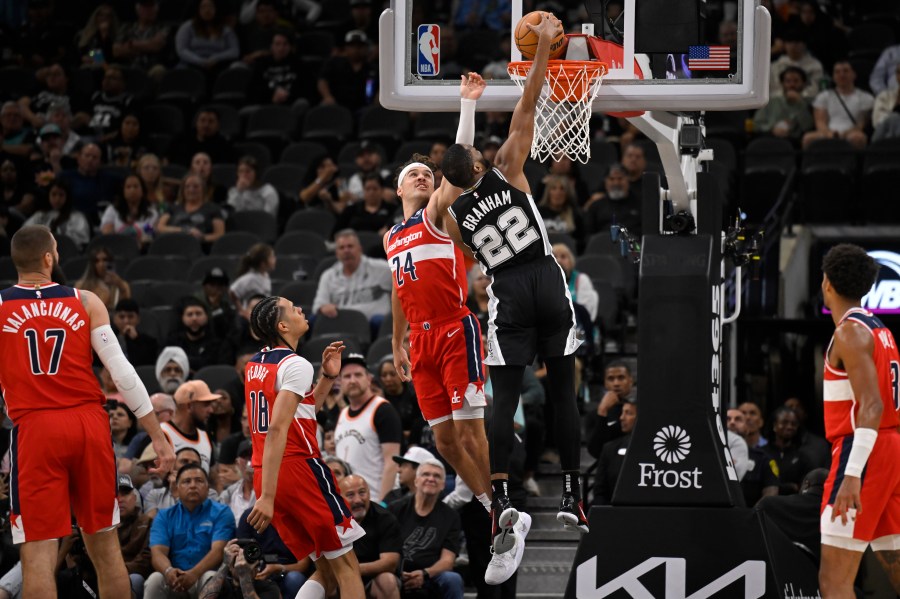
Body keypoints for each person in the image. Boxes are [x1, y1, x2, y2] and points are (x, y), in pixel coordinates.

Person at [440, 14, 586, 582]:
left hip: (506, 289)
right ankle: (573, 494)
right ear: (479, 163)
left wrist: (464, 114)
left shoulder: (452, 219)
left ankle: (500, 499)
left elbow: (455, 182)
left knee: (505, 402)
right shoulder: (506, 169)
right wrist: (546, 48)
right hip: (547, 279)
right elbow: (528, 105)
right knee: (565, 392)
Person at [0, 225, 175, 598]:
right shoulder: (85, 300)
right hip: (88, 425)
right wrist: (158, 436)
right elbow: (123, 375)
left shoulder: (1, 307)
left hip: (36, 428)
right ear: (49, 257)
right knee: (106, 549)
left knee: (38, 553)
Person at [385, 76, 494, 528]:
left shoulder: (435, 214)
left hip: (454, 327)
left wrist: (466, 106)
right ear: (398, 190)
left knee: (470, 432)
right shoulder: (391, 235)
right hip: (421, 338)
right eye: (413, 174)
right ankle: (493, 506)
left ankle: (500, 498)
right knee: (444, 440)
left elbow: (454, 165)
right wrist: (397, 340)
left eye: (426, 175)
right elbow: (398, 287)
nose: (422, 176)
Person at [244, 296, 366, 598]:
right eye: (292, 308)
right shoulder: (295, 363)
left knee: (325, 568)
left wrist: (327, 376)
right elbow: (277, 428)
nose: (301, 309)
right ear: (283, 325)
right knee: (348, 566)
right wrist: (268, 498)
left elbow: (301, 413)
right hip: (298, 470)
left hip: (266, 471)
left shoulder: (255, 364)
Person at [818, 243, 900, 596]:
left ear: (827, 284)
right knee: (894, 565)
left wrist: (852, 475)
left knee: (834, 581)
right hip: (890, 449)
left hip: (862, 450)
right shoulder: (881, 330)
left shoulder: (849, 332)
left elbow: (872, 406)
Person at [146, 464, 236, 598]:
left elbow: (218, 551)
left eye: (199, 481)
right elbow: (157, 552)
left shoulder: (222, 512)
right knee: (155, 579)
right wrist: (169, 571)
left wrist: (194, 574)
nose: (193, 485)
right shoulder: (164, 516)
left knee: (211, 577)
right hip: (175, 580)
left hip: (204, 576)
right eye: (186, 481)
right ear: (177, 488)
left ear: (207, 487)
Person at [388, 459, 466, 599]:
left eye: (437, 476)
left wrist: (424, 573)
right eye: (426, 474)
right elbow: (385, 550)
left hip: (431, 576)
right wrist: (398, 572)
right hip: (396, 573)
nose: (431, 479)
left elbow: (447, 561)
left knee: (453, 579)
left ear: (443, 485)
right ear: (416, 481)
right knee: (385, 579)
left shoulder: (451, 516)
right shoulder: (396, 509)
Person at [334, 353, 402, 501]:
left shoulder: (382, 410)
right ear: (340, 382)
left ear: (369, 379)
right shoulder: (343, 414)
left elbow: (392, 462)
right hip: (350, 504)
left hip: (375, 500)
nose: (352, 380)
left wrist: (383, 503)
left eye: (358, 375)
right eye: (347, 376)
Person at [313, 229, 392, 329]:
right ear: (337, 253)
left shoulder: (382, 269)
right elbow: (319, 304)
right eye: (341, 248)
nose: (346, 251)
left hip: (374, 326)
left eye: (350, 246)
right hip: (340, 324)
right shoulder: (328, 276)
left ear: (360, 249)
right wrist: (323, 308)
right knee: (313, 320)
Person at [339, 475, 403, 599]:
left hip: (373, 577)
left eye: (362, 493)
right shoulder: (332, 519)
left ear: (369, 493)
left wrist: (351, 571)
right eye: (350, 495)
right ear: (340, 499)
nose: (358, 500)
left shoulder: (385, 519)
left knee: (388, 581)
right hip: (340, 578)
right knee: (326, 583)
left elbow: (390, 562)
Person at [802, 60, 874, 150]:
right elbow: (820, 121)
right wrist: (829, 133)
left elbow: (862, 124)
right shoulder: (824, 96)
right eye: (837, 72)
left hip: (852, 132)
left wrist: (845, 133)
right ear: (833, 76)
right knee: (808, 138)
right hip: (828, 132)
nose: (842, 75)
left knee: (858, 138)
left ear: (854, 75)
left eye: (845, 71)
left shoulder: (866, 97)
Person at [162, 380, 219, 473]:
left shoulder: (206, 437)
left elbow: (214, 480)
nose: (211, 410)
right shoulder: (161, 434)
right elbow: (140, 475)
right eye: (206, 405)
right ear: (189, 406)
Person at [155, 173, 226, 247]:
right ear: (183, 190)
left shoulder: (213, 209)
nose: (191, 189)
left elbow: (220, 235)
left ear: (203, 189)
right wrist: (184, 230)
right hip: (173, 245)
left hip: (200, 248)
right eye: (187, 187)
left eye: (196, 186)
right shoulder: (173, 208)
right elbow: (160, 227)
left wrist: (202, 237)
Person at [23, 177, 91, 248]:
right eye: (54, 194)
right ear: (48, 195)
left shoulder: (77, 217)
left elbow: (80, 241)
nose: (57, 199)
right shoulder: (40, 215)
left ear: (67, 197)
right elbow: (24, 233)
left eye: (61, 195)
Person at [752, 65, 815, 141]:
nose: (792, 85)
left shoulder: (810, 103)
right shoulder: (771, 101)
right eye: (788, 81)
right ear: (782, 83)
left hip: (796, 142)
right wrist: (772, 129)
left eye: (796, 81)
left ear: (803, 84)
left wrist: (800, 103)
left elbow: (808, 127)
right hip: (770, 138)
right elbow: (756, 124)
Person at [116, 474, 154, 599]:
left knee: (135, 579)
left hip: (133, 574)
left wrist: (118, 572)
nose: (120, 499)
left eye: (125, 494)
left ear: (134, 497)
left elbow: (146, 558)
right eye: (115, 495)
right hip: (106, 574)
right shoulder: (103, 528)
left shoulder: (147, 522)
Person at [591, 401, 636, 506]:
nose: (621, 418)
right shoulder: (609, 449)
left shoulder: (652, 449)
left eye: (628, 413)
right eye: (622, 413)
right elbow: (599, 492)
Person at [100, 173, 159, 247]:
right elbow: (107, 233)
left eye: (136, 186)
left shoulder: (150, 212)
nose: (132, 190)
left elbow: (149, 235)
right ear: (123, 191)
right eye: (128, 187)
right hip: (115, 248)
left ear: (142, 190)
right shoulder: (112, 210)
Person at [165, 297, 223, 372]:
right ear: (182, 318)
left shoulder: (217, 344)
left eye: (198, 314)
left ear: (206, 317)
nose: (194, 318)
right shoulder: (172, 343)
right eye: (189, 314)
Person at [76, 246, 132, 311]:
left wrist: (120, 285)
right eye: (97, 261)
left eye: (105, 260)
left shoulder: (121, 285)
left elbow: (127, 309)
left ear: (111, 262)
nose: (101, 264)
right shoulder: (81, 286)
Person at [229, 243, 276, 310]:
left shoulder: (265, 275)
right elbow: (233, 292)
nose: (275, 259)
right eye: (272, 257)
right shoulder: (250, 278)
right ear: (262, 263)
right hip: (251, 316)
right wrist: (241, 310)